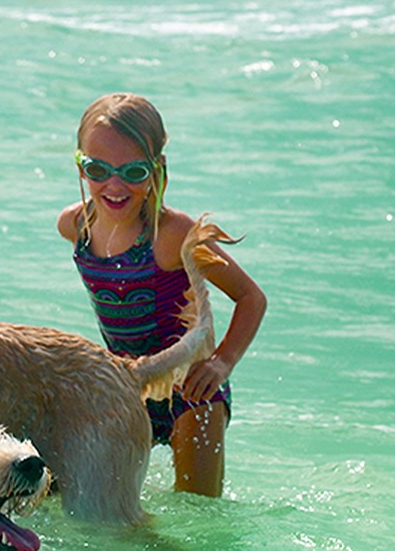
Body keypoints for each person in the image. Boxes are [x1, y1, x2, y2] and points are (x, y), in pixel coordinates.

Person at [57, 93, 267, 497]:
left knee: (198, 514)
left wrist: (222, 363)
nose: (114, 186)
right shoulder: (75, 227)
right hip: (129, 388)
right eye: (97, 169)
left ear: (157, 169)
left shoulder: (171, 235)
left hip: (193, 392)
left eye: (133, 172)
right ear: (79, 163)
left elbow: (251, 297)